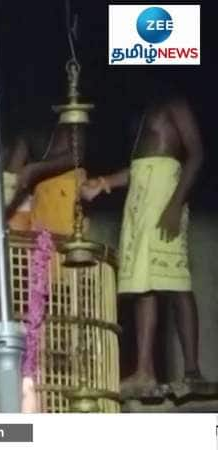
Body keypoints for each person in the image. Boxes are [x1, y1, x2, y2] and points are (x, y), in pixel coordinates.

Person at [81, 96, 204, 397]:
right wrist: (104, 183)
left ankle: (192, 373)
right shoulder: (145, 111)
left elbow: (197, 154)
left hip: (165, 198)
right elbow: (140, 167)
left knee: (175, 280)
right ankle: (144, 372)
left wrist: (175, 204)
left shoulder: (175, 103)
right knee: (142, 285)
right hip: (140, 201)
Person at [13, 123, 87, 236]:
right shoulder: (27, 132)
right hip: (32, 202)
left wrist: (36, 169)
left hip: (63, 198)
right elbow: (14, 174)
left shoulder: (71, 122)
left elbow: (77, 155)